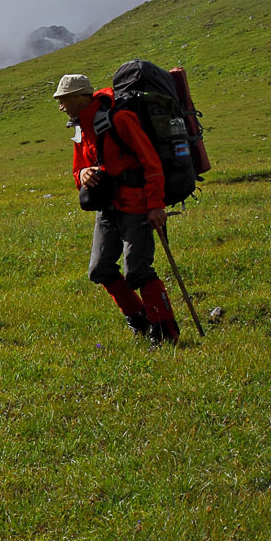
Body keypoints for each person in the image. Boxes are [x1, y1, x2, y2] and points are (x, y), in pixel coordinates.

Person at [54, 73, 180, 344]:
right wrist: (84, 174)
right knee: (100, 269)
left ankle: (165, 332)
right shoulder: (80, 129)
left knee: (138, 270)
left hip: (138, 205)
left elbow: (151, 163)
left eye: (63, 100)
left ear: (79, 97)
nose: (61, 107)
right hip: (107, 207)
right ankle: (140, 321)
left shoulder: (120, 119)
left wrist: (156, 206)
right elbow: (77, 171)